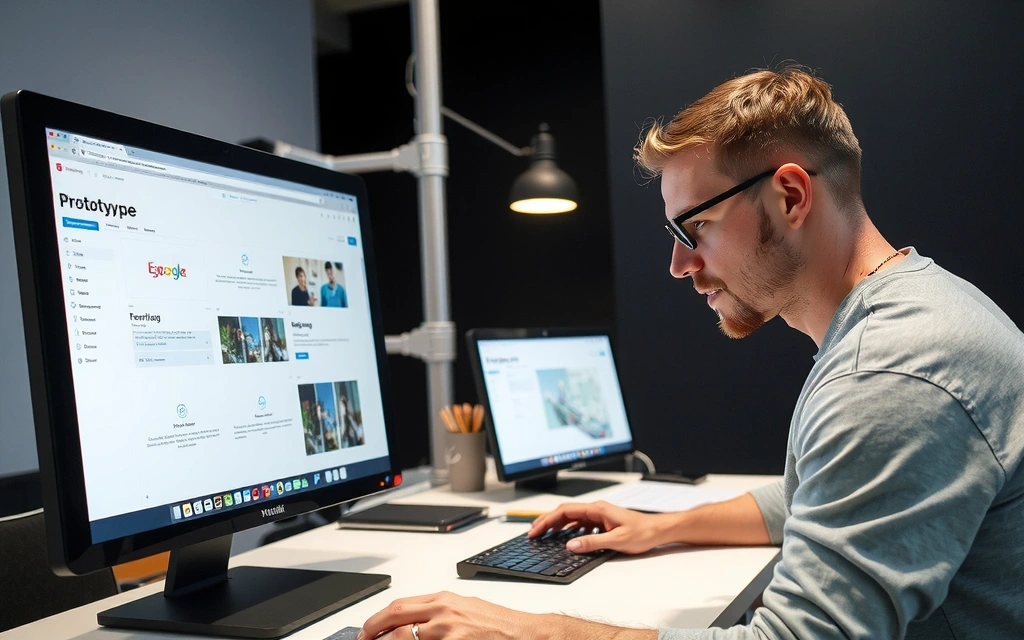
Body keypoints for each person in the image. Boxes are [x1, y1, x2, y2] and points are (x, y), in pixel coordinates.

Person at [357, 65, 1024, 639]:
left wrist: (530, 628)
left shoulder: (889, 372)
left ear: (790, 196)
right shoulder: (908, 314)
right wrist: (658, 527)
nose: (679, 264)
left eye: (695, 226)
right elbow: (814, 499)